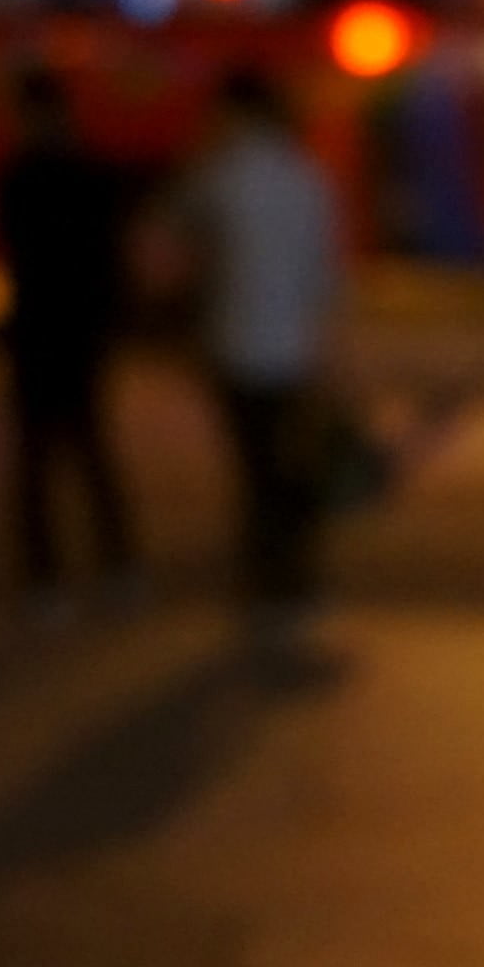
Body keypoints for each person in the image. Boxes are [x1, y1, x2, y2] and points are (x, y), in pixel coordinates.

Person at [176, 71, 341, 631]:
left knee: (255, 469)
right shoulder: (305, 177)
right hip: (293, 347)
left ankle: (267, 578)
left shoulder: (219, 174)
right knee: (290, 466)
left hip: (234, 342)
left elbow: (174, 241)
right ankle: (296, 578)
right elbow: (324, 276)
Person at [0, 66, 137, 615]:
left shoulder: (18, 175)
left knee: (37, 463)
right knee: (91, 452)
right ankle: (118, 568)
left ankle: (45, 582)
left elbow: (10, 251)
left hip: (37, 330)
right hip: (79, 331)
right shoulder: (90, 174)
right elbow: (109, 260)